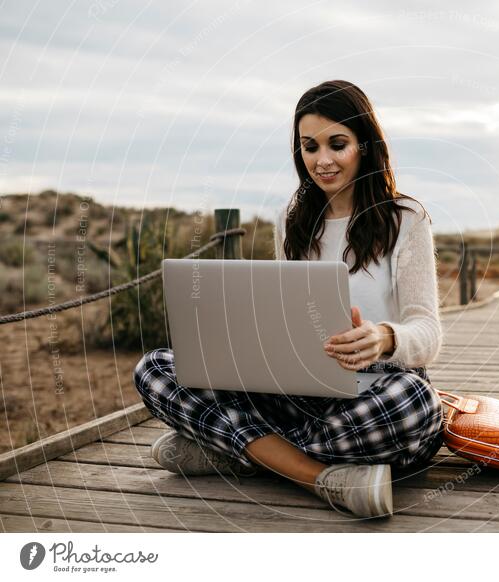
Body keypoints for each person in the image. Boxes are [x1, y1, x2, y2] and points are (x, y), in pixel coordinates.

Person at [133, 80, 445, 519]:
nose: (323, 160)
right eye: (309, 146)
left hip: (375, 392)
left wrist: (385, 337)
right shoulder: (292, 219)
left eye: (338, 144)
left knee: (415, 406)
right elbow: (283, 316)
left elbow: (427, 331)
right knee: (156, 368)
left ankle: (237, 451)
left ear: (365, 145)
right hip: (299, 391)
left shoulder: (405, 219)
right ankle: (321, 475)